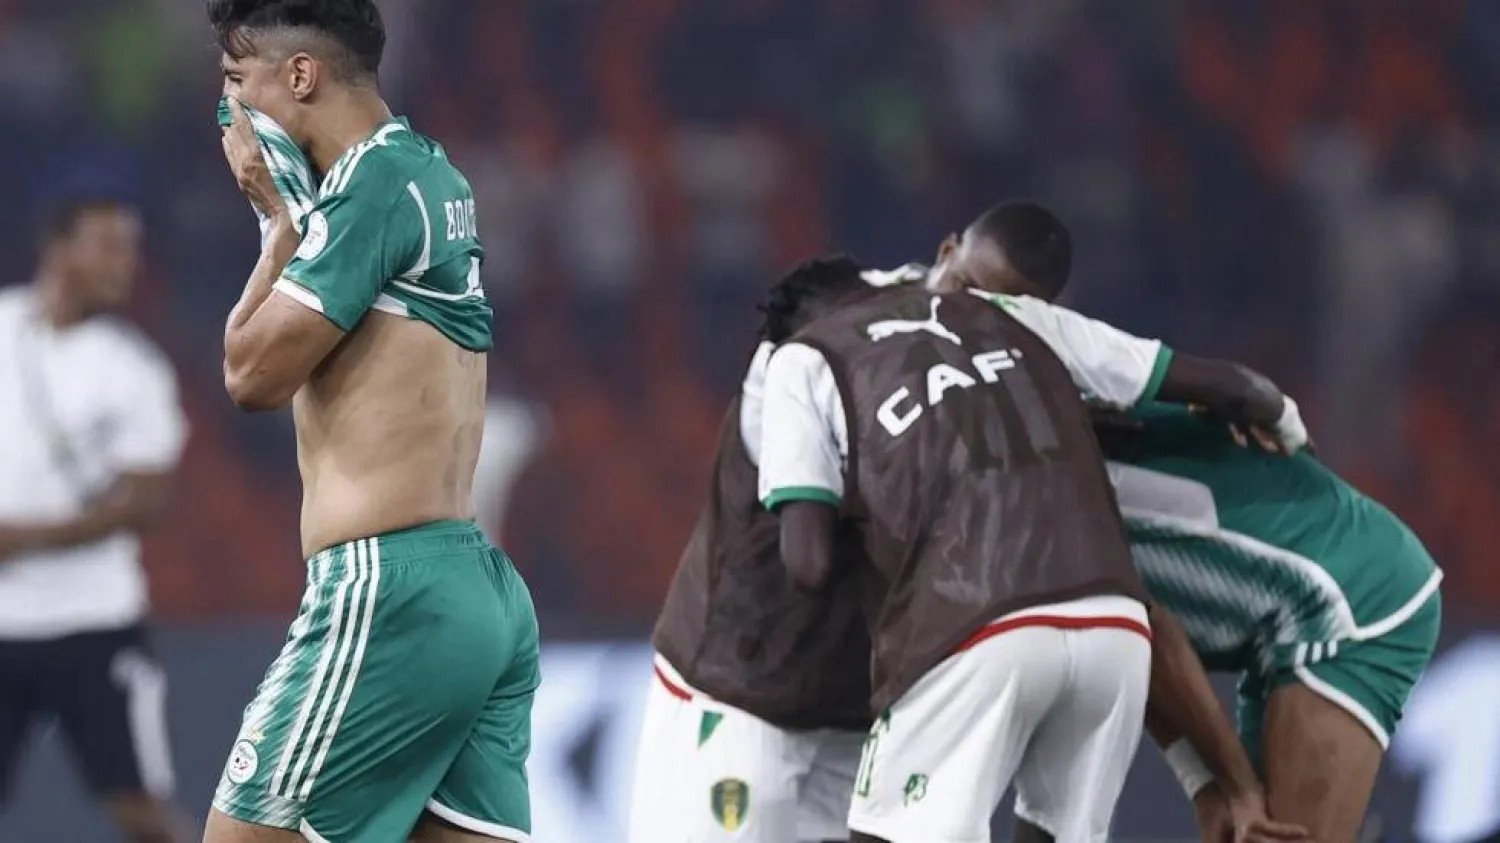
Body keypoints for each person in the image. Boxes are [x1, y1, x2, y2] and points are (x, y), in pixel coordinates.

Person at [755, 269, 1272, 843]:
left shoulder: (801, 360)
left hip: (970, 622)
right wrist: (1282, 417)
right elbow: (1237, 388)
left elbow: (808, 564)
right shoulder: (1008, 313)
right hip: (1116, 624)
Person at [206, 2, 538, 842]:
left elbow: (250, 374)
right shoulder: (426, 173)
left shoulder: (372, 184)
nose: (231, 118)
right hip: (473, 589)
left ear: (301, 76)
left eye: (237, 84)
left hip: (387, 589)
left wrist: (277, 223)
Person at [631, 257, 925, 843]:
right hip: (741, 701)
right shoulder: (784, 387)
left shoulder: (895, 322)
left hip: (855, 715)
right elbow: (811, 560)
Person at [1095, 403, 1443, 843]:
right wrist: (1211, 788)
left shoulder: (1033, 498)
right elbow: (1128, 642)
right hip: (1288, 604)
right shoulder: (1033, 453)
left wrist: (1235, 789)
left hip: (1354, 589)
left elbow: (1146, 630)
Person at [0, 197, 190, 843]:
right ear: (57, 248)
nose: (127, 263)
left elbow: (145, 498)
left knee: (138, 810)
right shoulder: (3, 327)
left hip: (94, 621)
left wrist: (24, 538)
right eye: (108, 245)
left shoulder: (132, 368)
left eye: (131, 247)